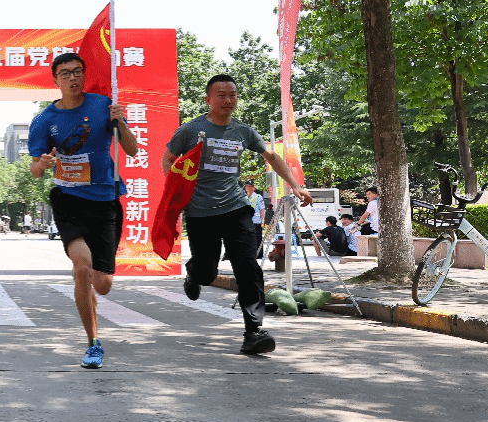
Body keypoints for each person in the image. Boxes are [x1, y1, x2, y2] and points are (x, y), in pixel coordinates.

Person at [162, 74, 312, 355]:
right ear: (208, 99)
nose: (228, 100)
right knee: (207, 272)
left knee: (248, 267)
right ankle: (194, 273)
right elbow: (168, 159)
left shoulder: (243, 131)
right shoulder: (190, 130)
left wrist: (295, 185)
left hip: (236, 208)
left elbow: (272, 157)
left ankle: (253, 332)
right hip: (200, 212)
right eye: (221, 95)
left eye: (232, 95)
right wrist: (176, 193)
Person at [29, 51, 140, 369]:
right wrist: (44, 163)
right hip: (68, 199)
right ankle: (93, 343)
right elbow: (35, 170)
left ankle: (92, 298)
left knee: (102, 285)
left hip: (105, 199)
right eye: (65, 73)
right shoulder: (44, 121)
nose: (72, 78)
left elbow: (132, 150)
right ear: (56, 80)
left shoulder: (103, 105)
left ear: (84, 75)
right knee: (81, 268)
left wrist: (120, 121)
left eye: (77, 71)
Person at [245, 180, 266, 258]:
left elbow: (262, 209)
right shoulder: (244, 197)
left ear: (254, 188)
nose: (249, 188)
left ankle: (259, 254)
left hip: (256, 221)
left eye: (251, 186)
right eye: (247, 186)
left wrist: (262, 220)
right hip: (247, 221)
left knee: (257, 238)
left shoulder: (258, 197)